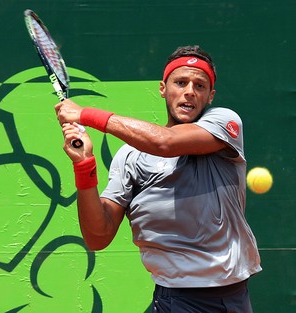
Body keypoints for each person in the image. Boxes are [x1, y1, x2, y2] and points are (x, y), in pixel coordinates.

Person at [55, 45, 262, 313]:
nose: (189, 91)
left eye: (199, 86)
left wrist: (84, 114)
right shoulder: (130, 157)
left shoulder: (224, 123)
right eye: (180, 82)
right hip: (176, 301)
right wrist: (84, 165)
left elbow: (165, 143)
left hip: (235, 298)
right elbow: (98, 237)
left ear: (210, 96)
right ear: (163, 89)